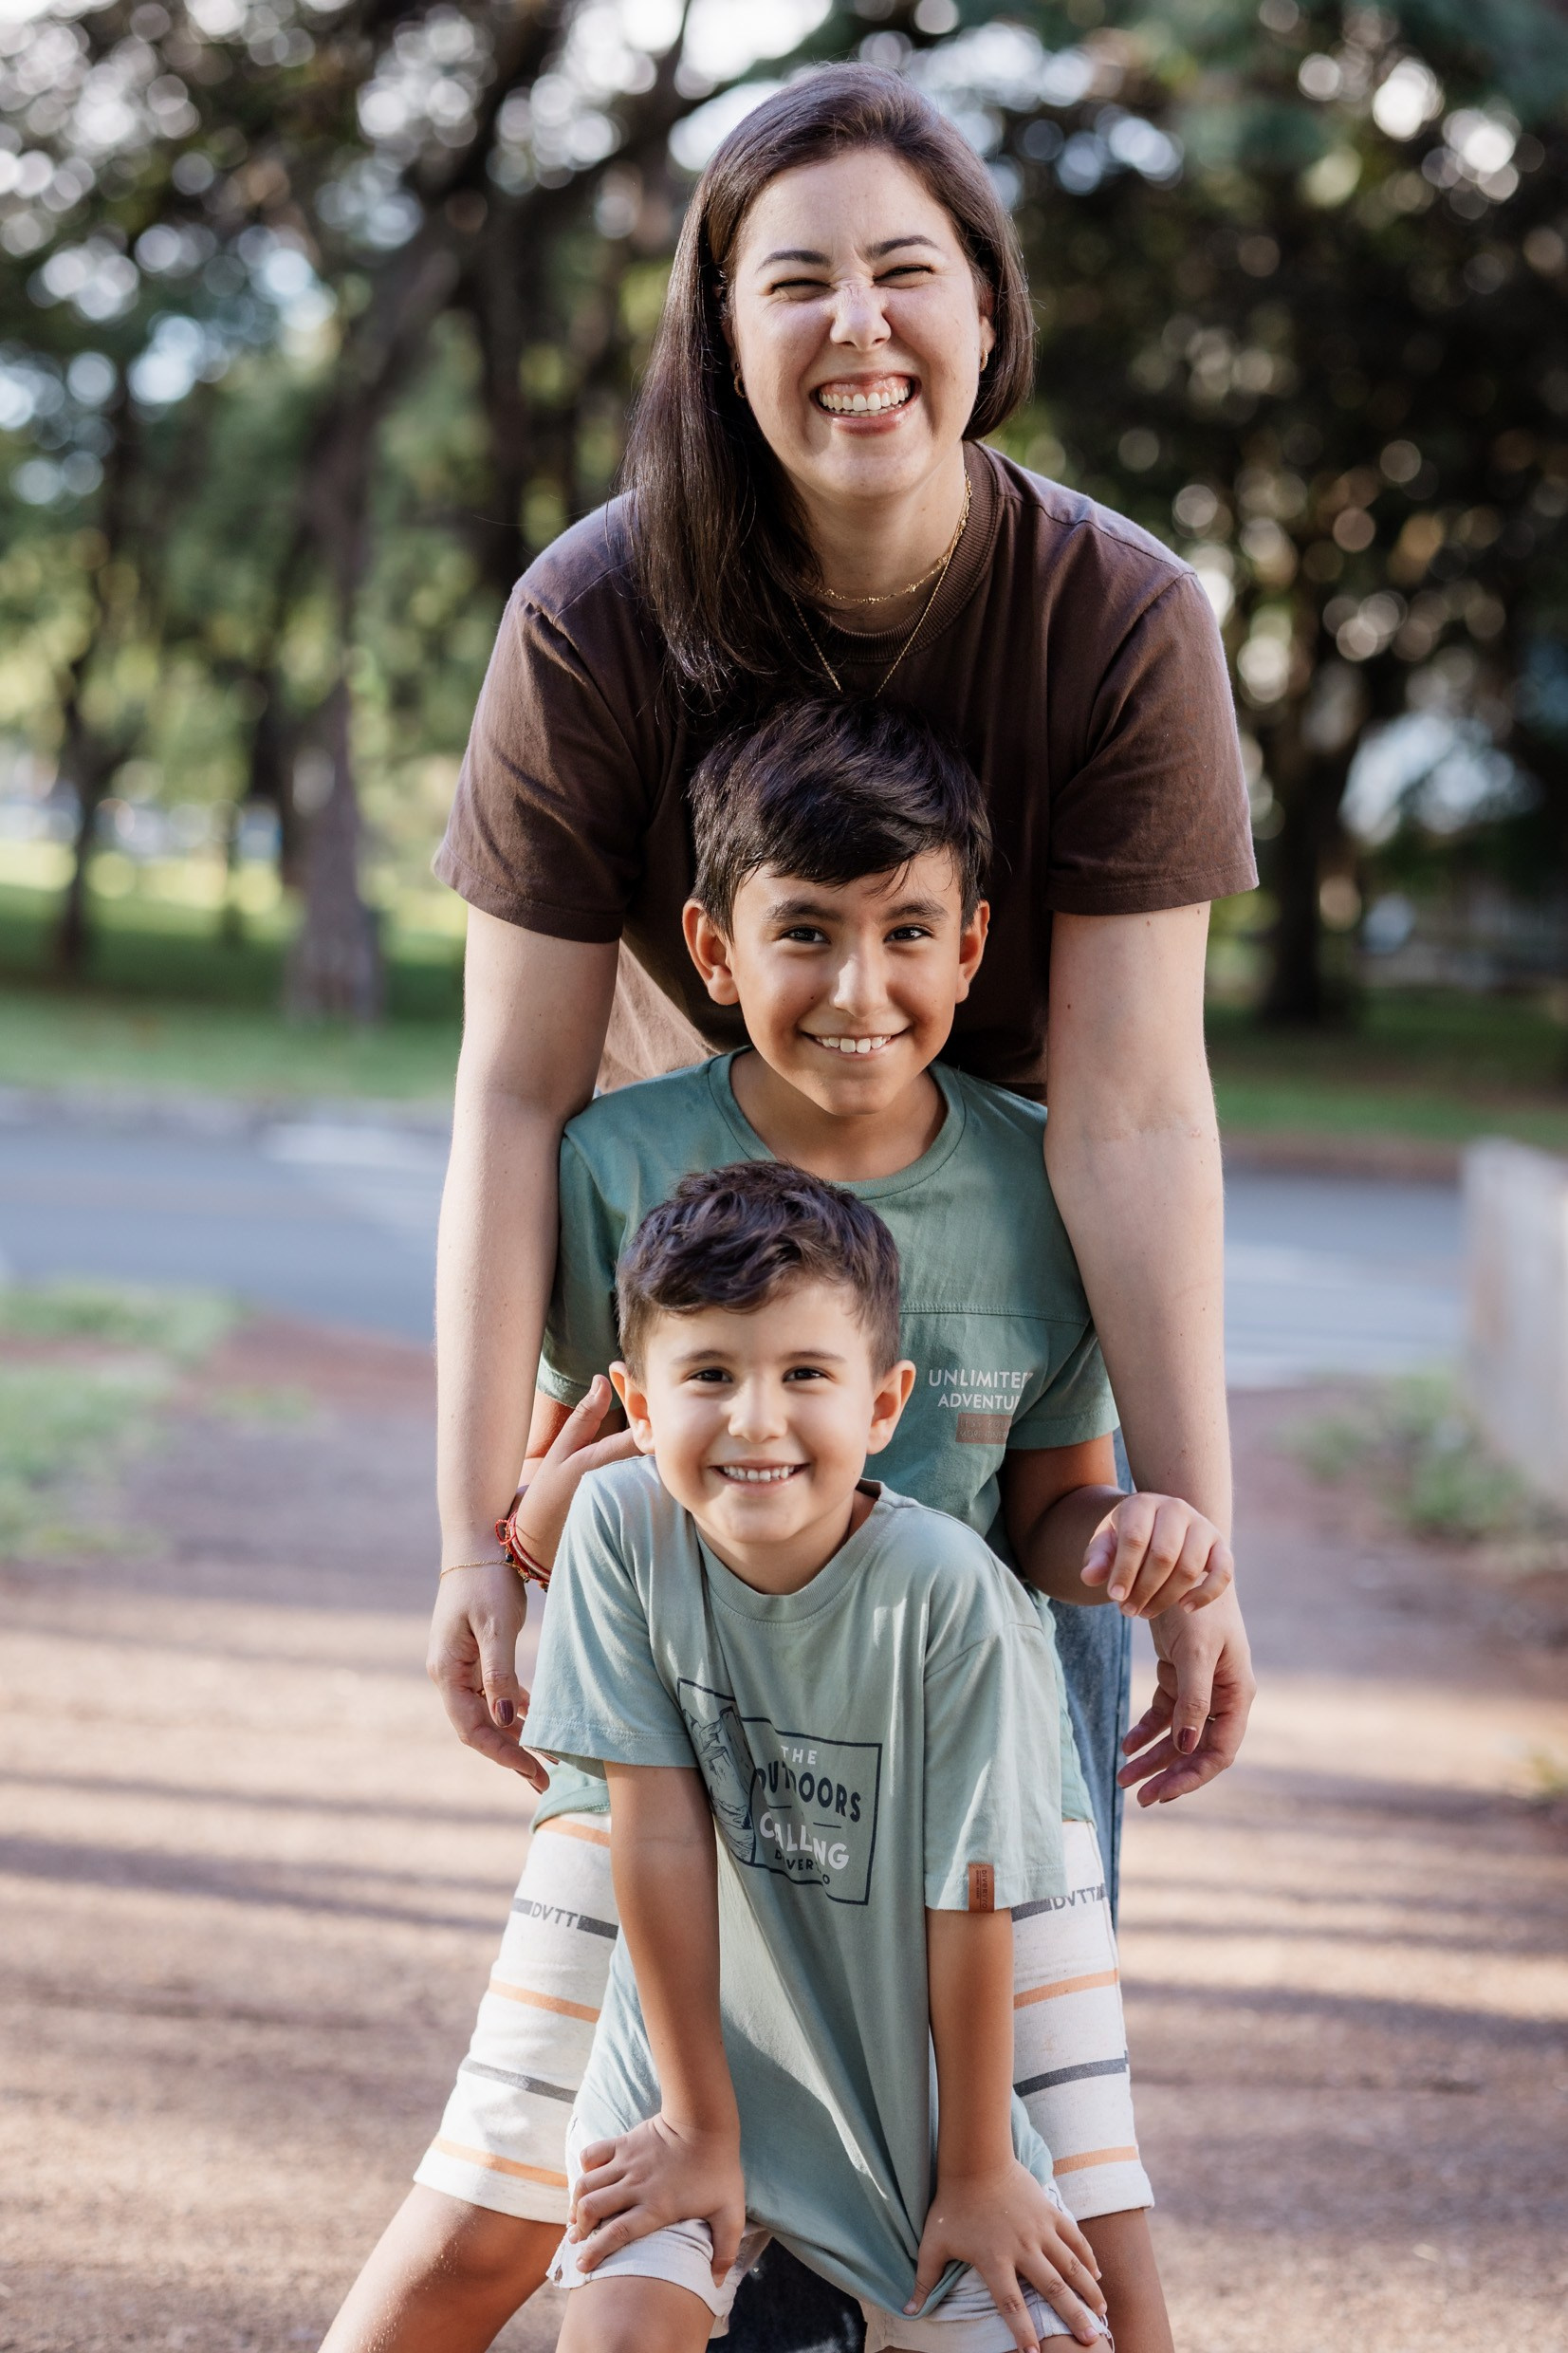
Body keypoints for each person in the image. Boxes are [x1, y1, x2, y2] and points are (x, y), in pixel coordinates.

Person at [426, 64, 1256, 1883]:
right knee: (670, 1975)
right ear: (722, 338)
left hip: (979, 1279)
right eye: (792, 280)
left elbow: (1130, 1105)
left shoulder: (1120, 622)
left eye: (904, 270)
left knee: (998, 1958)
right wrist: (469, 1546)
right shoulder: (591, 616)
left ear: (984, 307)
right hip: (704, 1298)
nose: (855, 326)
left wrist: (1190, 1530)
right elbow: (509, 1092)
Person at [322, 697, 1232, 2353]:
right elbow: (568, 1482)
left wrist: (1128, 1541)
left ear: (971, 948)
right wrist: (513, 1539)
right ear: (713, 948)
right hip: (669, 1767)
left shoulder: (1043, 1189)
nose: (859, 986)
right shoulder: (617, 1167)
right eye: (802, 931)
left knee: (1090, 2269)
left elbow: (1042, 1504)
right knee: (484, 2230)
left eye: (904, 934)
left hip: (949, 1778)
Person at [523, 1161, 1139, 2353]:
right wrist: (700, 2121)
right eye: (708, 1373)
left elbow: (968, 1894)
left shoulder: (949, 1594)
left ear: (884, 1402)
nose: (756, 1418)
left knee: (1056, 2315)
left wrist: (972, 2168)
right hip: (693, 2063)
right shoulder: (620, 1525)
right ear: (638, 1408)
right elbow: (651, 1827)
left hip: (912, 2092)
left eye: (805, 1372)